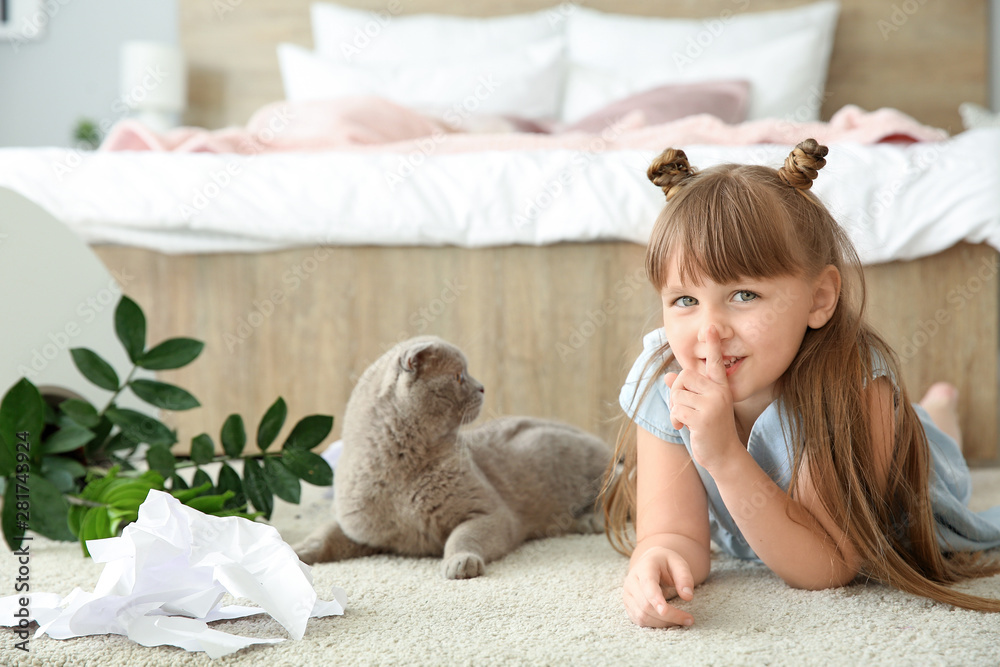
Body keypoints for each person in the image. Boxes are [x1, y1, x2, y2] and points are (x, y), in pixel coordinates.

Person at [600, 139, 1000, 628]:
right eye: (685, 300)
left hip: (911, 469)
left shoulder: (851, 388)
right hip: (777, 505)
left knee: (946, 456)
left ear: (819, 298)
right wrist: (655, 558)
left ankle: (937, 414)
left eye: (743, 294)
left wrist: (724, 454)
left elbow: (826, 565)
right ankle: (933, 408)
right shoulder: (667, 381)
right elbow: (677, 536)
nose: (710, 331)